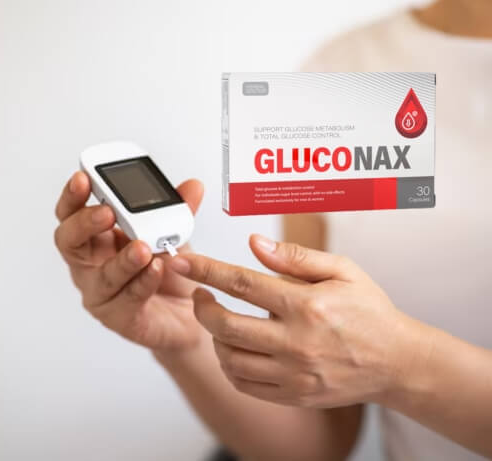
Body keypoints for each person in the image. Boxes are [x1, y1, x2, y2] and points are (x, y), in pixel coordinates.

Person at [54, 0, 492, 459]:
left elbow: (387, 366)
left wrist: (403, 364)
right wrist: (186, 340)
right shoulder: (342, 71)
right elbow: (321, 442)